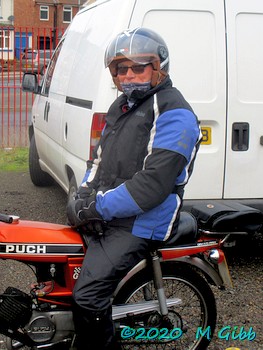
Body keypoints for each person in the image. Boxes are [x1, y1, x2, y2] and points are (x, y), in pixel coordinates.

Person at [67, 27, 202, 349]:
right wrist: (83, 196)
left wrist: (96, 207)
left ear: (159, 68)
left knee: (87, 296)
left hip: (144, 221)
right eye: (120, 68)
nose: (128, 75)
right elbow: (97, 163)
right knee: (59, 263)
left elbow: (152, 187)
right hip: (112, 212)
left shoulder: (175, 112)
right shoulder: (119, 107)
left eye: (138, 66)